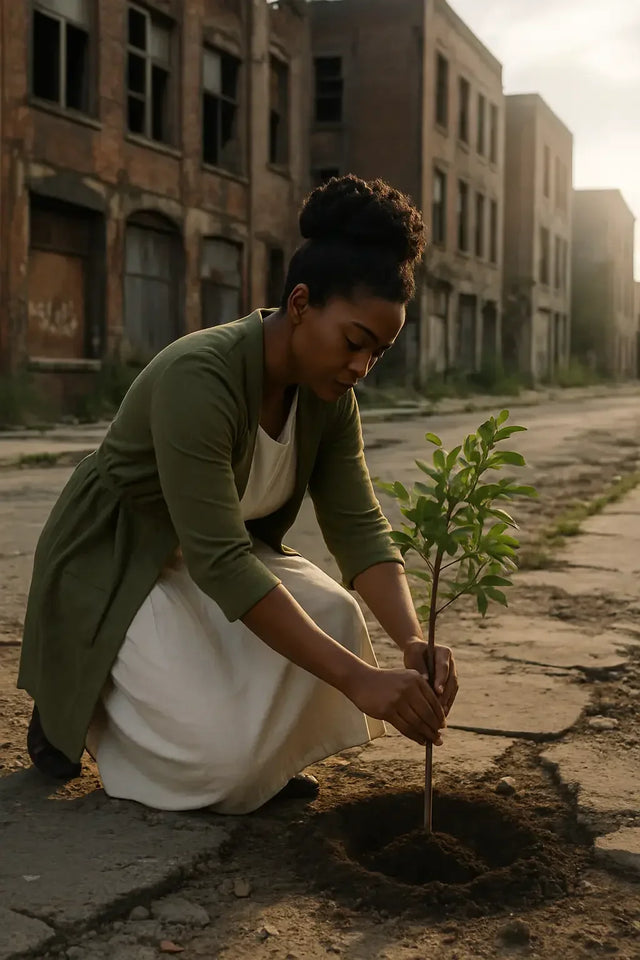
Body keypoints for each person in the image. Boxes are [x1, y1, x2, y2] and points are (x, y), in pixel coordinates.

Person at [18, 175, 458, 815]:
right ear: (301, 304)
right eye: (355, 341)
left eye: (379, 352)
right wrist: (359, 680)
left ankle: (241, 749)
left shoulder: (329, 398)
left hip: (207, 558)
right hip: (120, 560)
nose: (362, 365)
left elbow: (359, 527)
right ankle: (81, 706)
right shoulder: (202, 377)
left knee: (336, 612)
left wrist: (411, 641)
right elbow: (223, 561)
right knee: (218, 770)